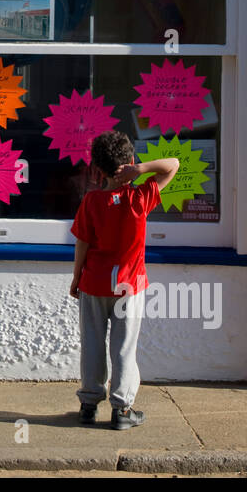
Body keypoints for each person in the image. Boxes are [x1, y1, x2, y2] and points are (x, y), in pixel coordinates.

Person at [68, 131, 179, 430]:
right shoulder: (140, 197)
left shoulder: (91, 201)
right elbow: (173, 165)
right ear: (129, 161)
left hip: (94, 282)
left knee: (91, 342)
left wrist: (76, 277)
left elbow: (82, 244)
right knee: (123, 347)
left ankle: (88, 404)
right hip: (129, 285)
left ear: (97, 169)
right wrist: (141, 170)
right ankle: (122, 409)